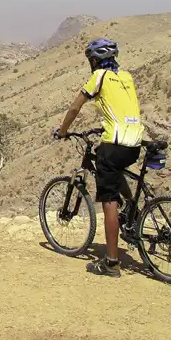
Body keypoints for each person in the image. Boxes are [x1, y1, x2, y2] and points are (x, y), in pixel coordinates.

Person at [53, 38, 145, 278]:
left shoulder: (99, 77)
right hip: (134, 142)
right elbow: (120, 108)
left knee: (108, 199)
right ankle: (133, 210)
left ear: (95, 61)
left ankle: (111, 263)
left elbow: (75, 108)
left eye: (90, 60)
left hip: (114, 144)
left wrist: (63, 131)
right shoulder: (126, 77)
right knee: (115, 170)